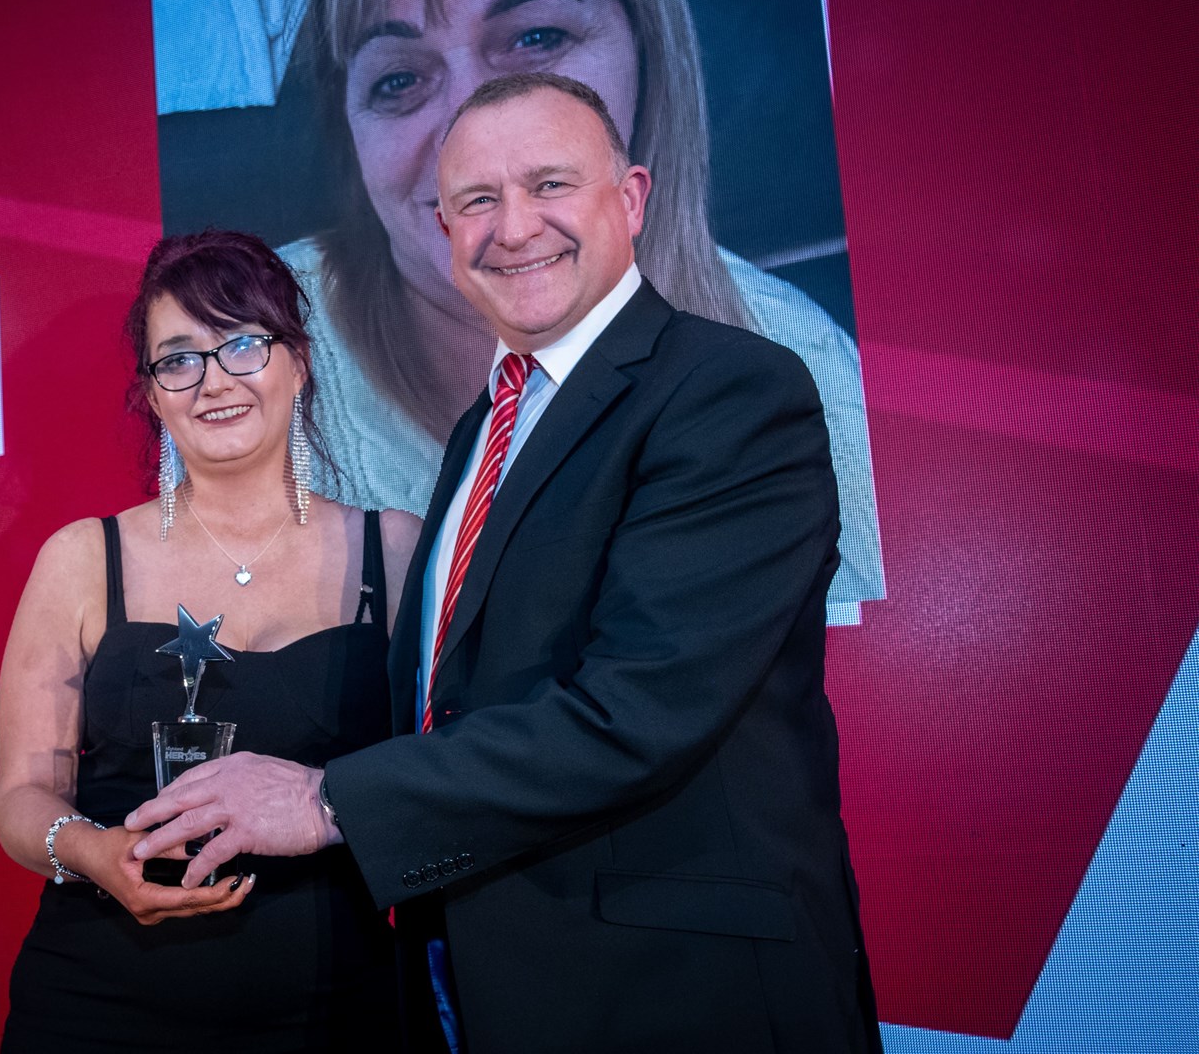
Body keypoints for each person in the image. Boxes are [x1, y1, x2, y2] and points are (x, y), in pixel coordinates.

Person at [129, 75, 882, 1052]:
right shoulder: (485, 430)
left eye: (550, 184)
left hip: (683, 994)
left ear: (633, 198)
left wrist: (323, 801)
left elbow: (639, 712)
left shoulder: (731, 390)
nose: (514, 226)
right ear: (443, 229)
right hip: (481, 979)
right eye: (477, 200)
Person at [262, 0, 883, 623]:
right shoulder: (248, 347)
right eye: (398, 80)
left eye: (537, 38)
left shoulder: (800, 363)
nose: (475, 139)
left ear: (649, 55)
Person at [0, 228, 421, 1051]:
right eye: (179, 358)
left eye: (242, 344)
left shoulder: (396, 553)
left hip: (337, 998)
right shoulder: (84, 559)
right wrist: (92, 850)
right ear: (152, 395)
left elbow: (453, 767)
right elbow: (20, 798)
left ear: (297, 361)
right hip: (97, 1001)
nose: (213, 381)